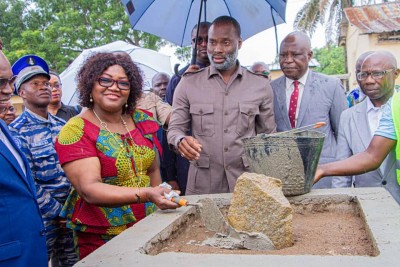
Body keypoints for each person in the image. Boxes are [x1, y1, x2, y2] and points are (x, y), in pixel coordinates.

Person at [54, 52, 179, 260]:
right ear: (90, 85)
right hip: (103, 236)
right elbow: (89, 189)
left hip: (148, 226)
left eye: (123, 83)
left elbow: (153, 168)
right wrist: (148, 194)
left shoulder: (140, 119)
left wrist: (160, 201)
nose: (114, 87)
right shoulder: (76, 131)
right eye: (105, 80)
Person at [167, 16, 276, 195]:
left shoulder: (260, 86)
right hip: (202, 187)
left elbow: (269, 138)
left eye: (225, 43)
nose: (217, 49)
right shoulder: (187, 84)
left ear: (239, 43)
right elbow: (174, 130)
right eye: (212, 42)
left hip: (248, 184)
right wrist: (181, 141)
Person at [9, 55, 78, 266]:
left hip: (72, 214)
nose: (44, 87)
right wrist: (58, 212)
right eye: (35, 84)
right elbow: (27, 181)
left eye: (46, 83)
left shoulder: (63, 126)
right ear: (21, 92)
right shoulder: (16, 131)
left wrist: (71, 209)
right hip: (42, 219)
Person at [315, 51, 400, 204]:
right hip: (366, 205)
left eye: (377, 74)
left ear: (395, 74)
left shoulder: (396, 107)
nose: (368, 81)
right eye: (363, 75)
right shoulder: (348, 116)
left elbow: (372, 156)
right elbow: (368, 157)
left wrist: (323, 169)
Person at [271, 31, 348, 189]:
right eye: (283, 55)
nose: (288, 61)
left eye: (295, 55)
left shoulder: (331, 86)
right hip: (283, 178)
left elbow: (343, 135)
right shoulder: (269, 89)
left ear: (309, 55)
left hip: (322, 176)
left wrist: (341, 180)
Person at [0, 43, 47, 267]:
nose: (8, 90)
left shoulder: (4, 129)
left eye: (9, 81)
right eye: (1, 82)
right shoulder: (17, 127)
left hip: (31, 249)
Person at [164, 21, 211, 194]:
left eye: (209, 39)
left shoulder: (229, 76)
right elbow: (168, 128)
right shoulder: (178, 79)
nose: (204, 44)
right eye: (198, 40)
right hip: (187, 162)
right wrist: (170, 175)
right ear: (192, 43)